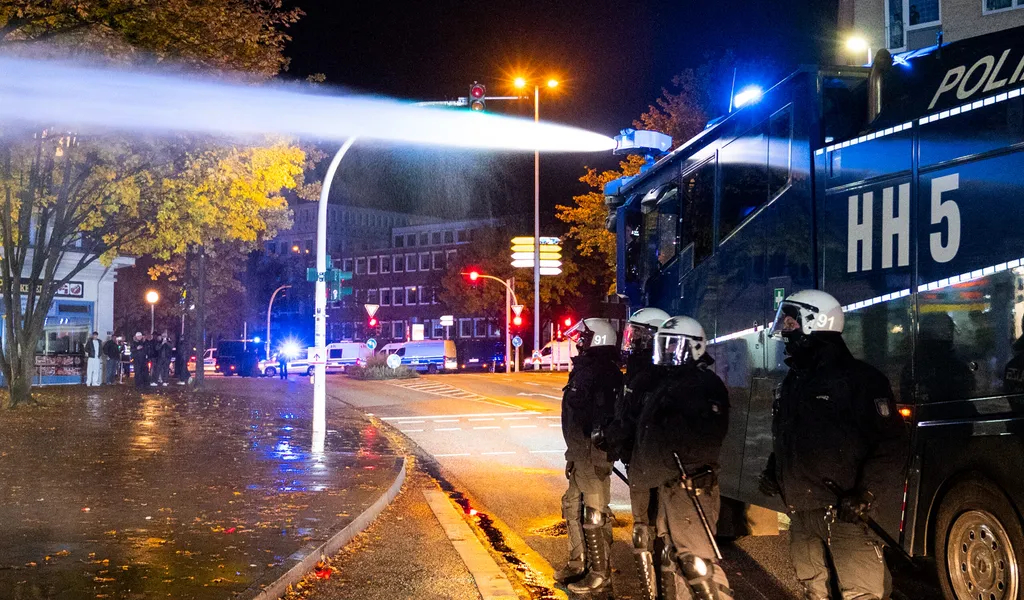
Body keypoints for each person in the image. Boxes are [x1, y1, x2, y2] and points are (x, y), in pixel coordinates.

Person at [760, 290, 909, 600]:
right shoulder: (794, 381)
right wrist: (776, 471)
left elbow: (892, 444)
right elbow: (789, 435)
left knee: (862, 594)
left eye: (791, 322)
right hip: (802, 514)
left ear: (817, 321)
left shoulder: (861, 380)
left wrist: (865, 494)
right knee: (814, 591)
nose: (785, 331)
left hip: (847, 517)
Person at [630, 316, 732, 600]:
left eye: (675, 345)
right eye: (665, 344)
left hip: (690, 484)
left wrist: (686, 465)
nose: (667, 351)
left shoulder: (704, 384)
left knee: (697, 564)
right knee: (678, 559)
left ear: (695, 348)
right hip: (669, 484)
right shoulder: (669, 382)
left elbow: (708, 435)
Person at [605, 307, 669, 600]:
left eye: (639, 334)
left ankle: (664, 591)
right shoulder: (637, 372)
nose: (632, 341)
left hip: (656, 464)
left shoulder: (659, 374)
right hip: (639, 461)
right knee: (645, 529)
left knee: (658, 530)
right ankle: (652, 590)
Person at [555, 318, 621, 596]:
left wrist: (596, 448)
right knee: (572, 506)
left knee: (595, 514)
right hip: (580, 454)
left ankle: (599, 574)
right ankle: (578, 563)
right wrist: (573, 453)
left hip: (593, 456)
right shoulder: (586, 369)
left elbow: (605, 418)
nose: (579, 341)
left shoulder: (604, 373)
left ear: (598, 339)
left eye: (584, 337)